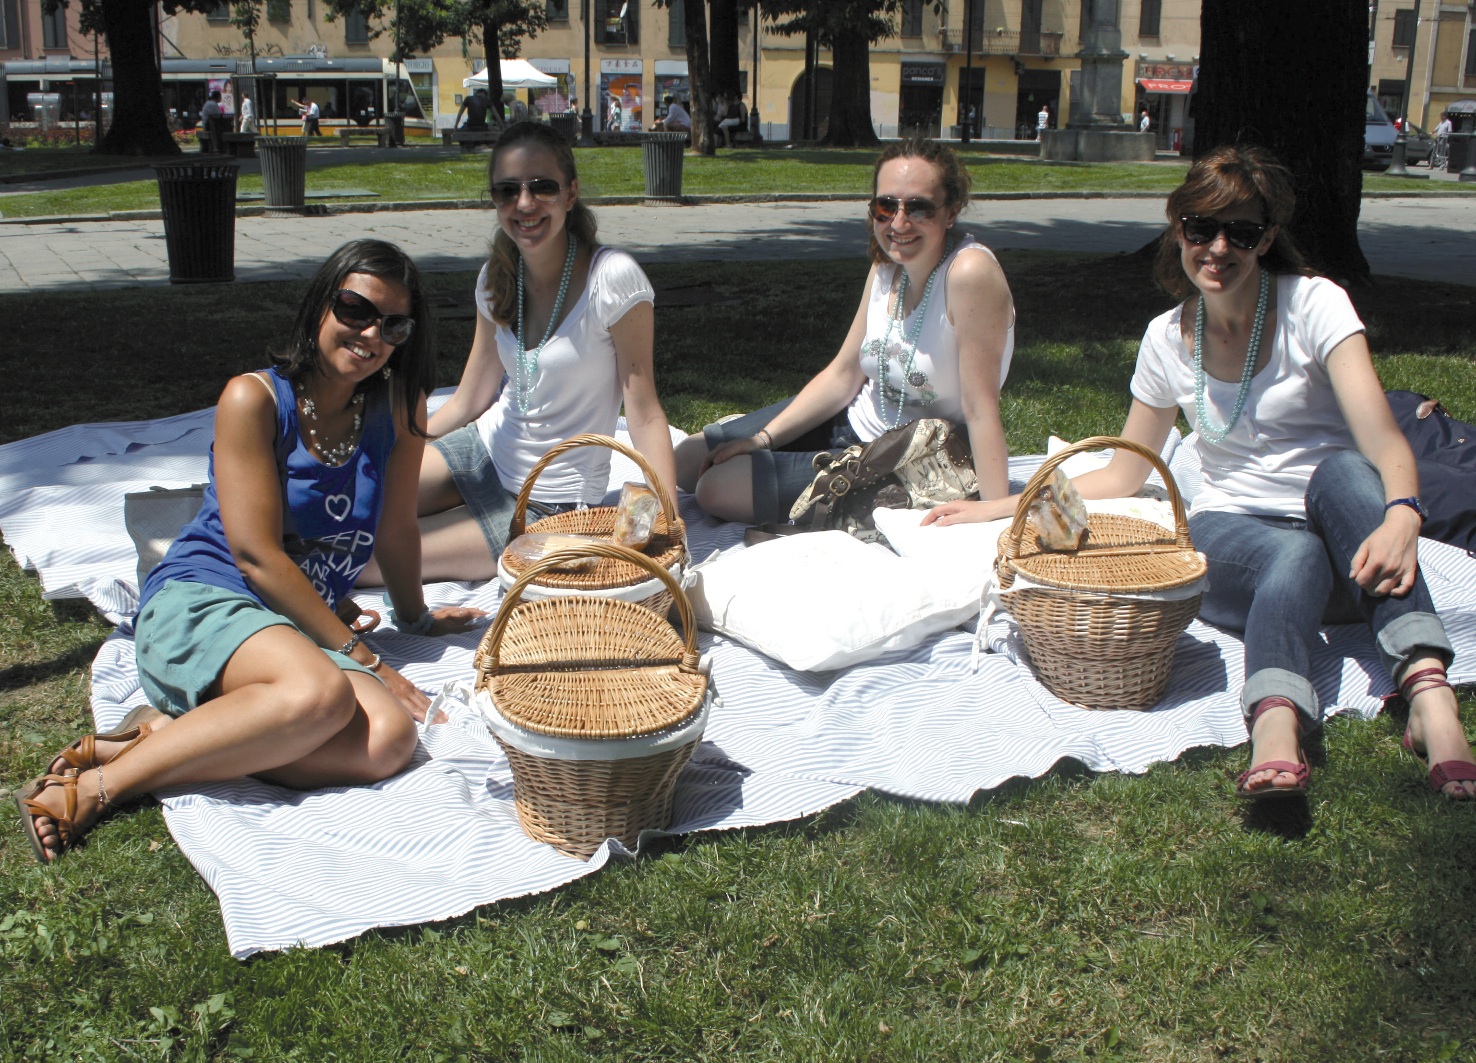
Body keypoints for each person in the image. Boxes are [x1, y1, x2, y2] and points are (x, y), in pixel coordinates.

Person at [925, 145, 1476, 803]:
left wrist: (1402, 515)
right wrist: (1003, 505)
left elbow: (1384, 442)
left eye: (1240, 232)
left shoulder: (1316, 306)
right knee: (1293, 554)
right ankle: (1276, 717)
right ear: (1177, 227)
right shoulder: (1166, 338)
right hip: (1238, 540)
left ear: (1267, 238)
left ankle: (1427, 695)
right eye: (1200, 228)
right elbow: (1126, 472)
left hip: (1351, 548)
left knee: (1342, 471)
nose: (1217, 247)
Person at [16, 240, 486, 863]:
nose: (371, 334)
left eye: (394, 324)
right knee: (322, 697)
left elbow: (398, 526)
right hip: (207, 598)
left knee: (389, 740)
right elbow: (257, 556)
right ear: (321, 304)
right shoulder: (255, 399)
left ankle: (169, 737)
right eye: (355, 309)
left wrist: (417, 618)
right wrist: (367, 659)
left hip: (289, 621)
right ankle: (96, 789)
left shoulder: (397, 404)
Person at [359, 122, 677, 584]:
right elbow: (470, 400)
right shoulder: (495, 278)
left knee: (374, 560)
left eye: (541, 187)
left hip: (550, 502)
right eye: (507, 190)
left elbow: (645, 413)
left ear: (571, 193)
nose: (524, 204)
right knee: (348, 508)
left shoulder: (613, 279)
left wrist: (669, 517)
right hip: (482, 451)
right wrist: (397, 446)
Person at [675, 136, 1014, 525]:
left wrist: (995, 511)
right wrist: (762, 439)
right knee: (685, 460)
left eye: (918, 208)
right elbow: (843, 374)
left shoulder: (969, 274)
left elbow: (981, 408)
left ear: (951, 211)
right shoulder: (887, 268)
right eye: (886, 206)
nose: (898, 223)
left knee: (715, 489)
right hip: (849, 422)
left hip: (906, 457)